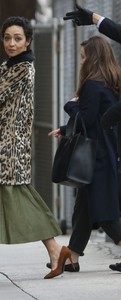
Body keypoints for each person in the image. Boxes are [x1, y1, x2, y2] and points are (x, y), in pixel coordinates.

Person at [0, 16, 71, 282]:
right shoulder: (8, 66)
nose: (11, 43)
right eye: (7, 37)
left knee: (19, 198)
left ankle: (55, 249)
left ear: (28, 41)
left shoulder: (23, 68)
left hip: (8, 148)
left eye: (17, 38)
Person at [48, 35, 121, 273]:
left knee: (104, 211)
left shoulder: (92, 84)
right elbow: (98, 119)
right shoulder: (111, 83)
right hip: (106, 151)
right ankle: (73, 257)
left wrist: (70, 104)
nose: (81, 62)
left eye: (83, 57)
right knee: (83, 207)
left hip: (94, 157)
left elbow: (87, 119)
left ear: (93, 58)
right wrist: (65, 128)